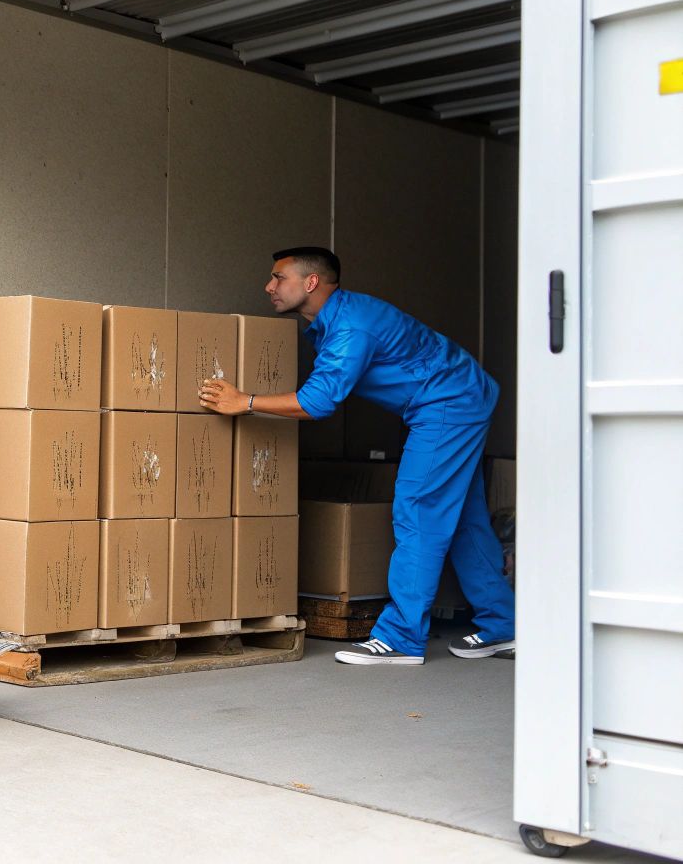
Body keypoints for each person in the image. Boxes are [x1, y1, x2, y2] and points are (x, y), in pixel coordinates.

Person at [199, 246, 515, 667]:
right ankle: (504, 626)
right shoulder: (335, 320)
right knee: (461, 518)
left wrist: (246, 401)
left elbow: (319, 401)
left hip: (449, 403)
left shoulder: (351, 327)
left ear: (311, 283)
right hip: (456, 397)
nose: (268, 286)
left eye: (279, 278)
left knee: (418, 509)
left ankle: (402, 638)